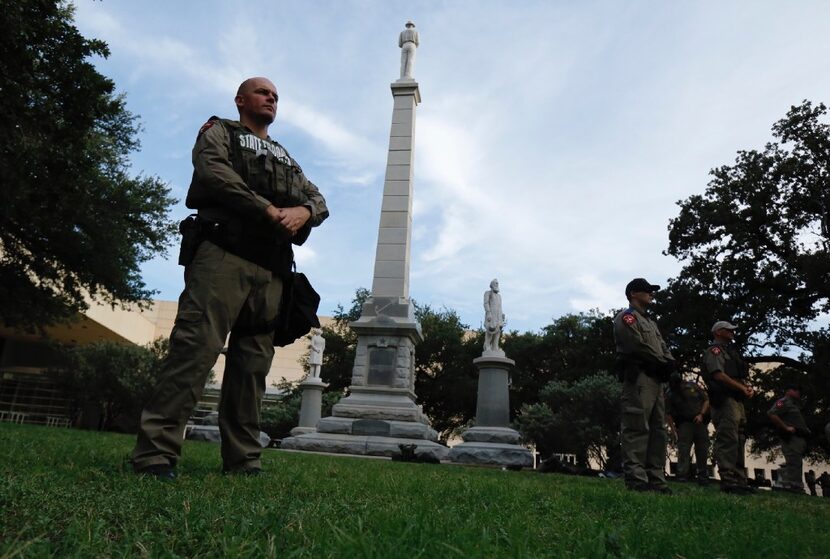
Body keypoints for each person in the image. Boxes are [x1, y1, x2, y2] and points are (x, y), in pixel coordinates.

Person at [131, 77, 329, 479]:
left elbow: (318, 198)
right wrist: (269, 210)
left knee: (253, 368)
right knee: (195, 351)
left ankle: (243, 461)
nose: (271, 98)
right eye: (263, 92)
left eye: (276, 95)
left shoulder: (287, 156)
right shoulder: (220, 131)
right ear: (241, 100)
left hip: (272, 270)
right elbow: (213, 172)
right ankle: (156, 455)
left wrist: (304, 212)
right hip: (223, 255)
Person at [613, 278, 676, 494]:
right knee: (637, 426)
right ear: (633, 294)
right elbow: (637, 345)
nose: (651, 294)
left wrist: (669, 363)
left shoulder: (650, 322)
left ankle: (656, 478)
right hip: (640, 378)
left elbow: (663, 347)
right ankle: (637, 479)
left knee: (658, 430)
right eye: (647, 291)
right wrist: (662, 363)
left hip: (656, 380)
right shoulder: (626, 318)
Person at [701, 321, 754, 494]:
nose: (732, 332)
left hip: (736, 400)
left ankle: (739, 479)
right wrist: (741, 388)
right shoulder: (714, 351)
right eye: (728, 329)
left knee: (739, 438)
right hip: (724, 400)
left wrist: (746, 388)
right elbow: (718, 375)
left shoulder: (731, 352)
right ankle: (728, 479)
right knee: (728, 437)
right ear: (718, 332)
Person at [666, 373, 711, 485]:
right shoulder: (671, 393)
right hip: (683, 424)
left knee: (702, 450)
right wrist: (673, 429)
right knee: (683, 450)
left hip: (699, 422)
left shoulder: (693, 386)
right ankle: (682, 475)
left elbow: (706, 400)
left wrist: (701, 414)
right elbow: (668, 413)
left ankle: (702, 475)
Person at [768, 384, 811, 493]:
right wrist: (785, 427)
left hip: (799, 437)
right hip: (791, 438)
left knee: (797, 462)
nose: (798, 393)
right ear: (789, 390)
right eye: (796, 390)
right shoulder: (783, 402)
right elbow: (772, 413)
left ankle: (796, 485)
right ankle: (793, 486)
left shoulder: (795, 404)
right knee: (793, 461)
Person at [483, 279, 505, 355]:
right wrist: (488, 312)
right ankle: (487, 346)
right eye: (495, 283)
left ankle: (495, 347)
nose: (497, 284)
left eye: (498, 283)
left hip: (498, 316)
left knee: (498, 331)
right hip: (491, 314)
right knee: (490, 330)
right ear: (492, 285)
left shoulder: (499, 296)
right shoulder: (488, 293)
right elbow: (486, 303)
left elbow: (500, 306)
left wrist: (502, 314)